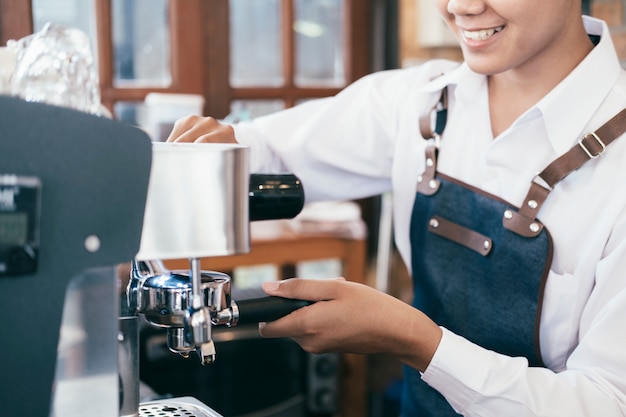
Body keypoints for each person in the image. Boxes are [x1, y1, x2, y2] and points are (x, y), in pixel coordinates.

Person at [166, 0, 626, 415]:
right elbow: (267, 148)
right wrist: (214, 150)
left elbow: (606, 402)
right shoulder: (422, 104)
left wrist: (415, 341)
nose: (459, 6)